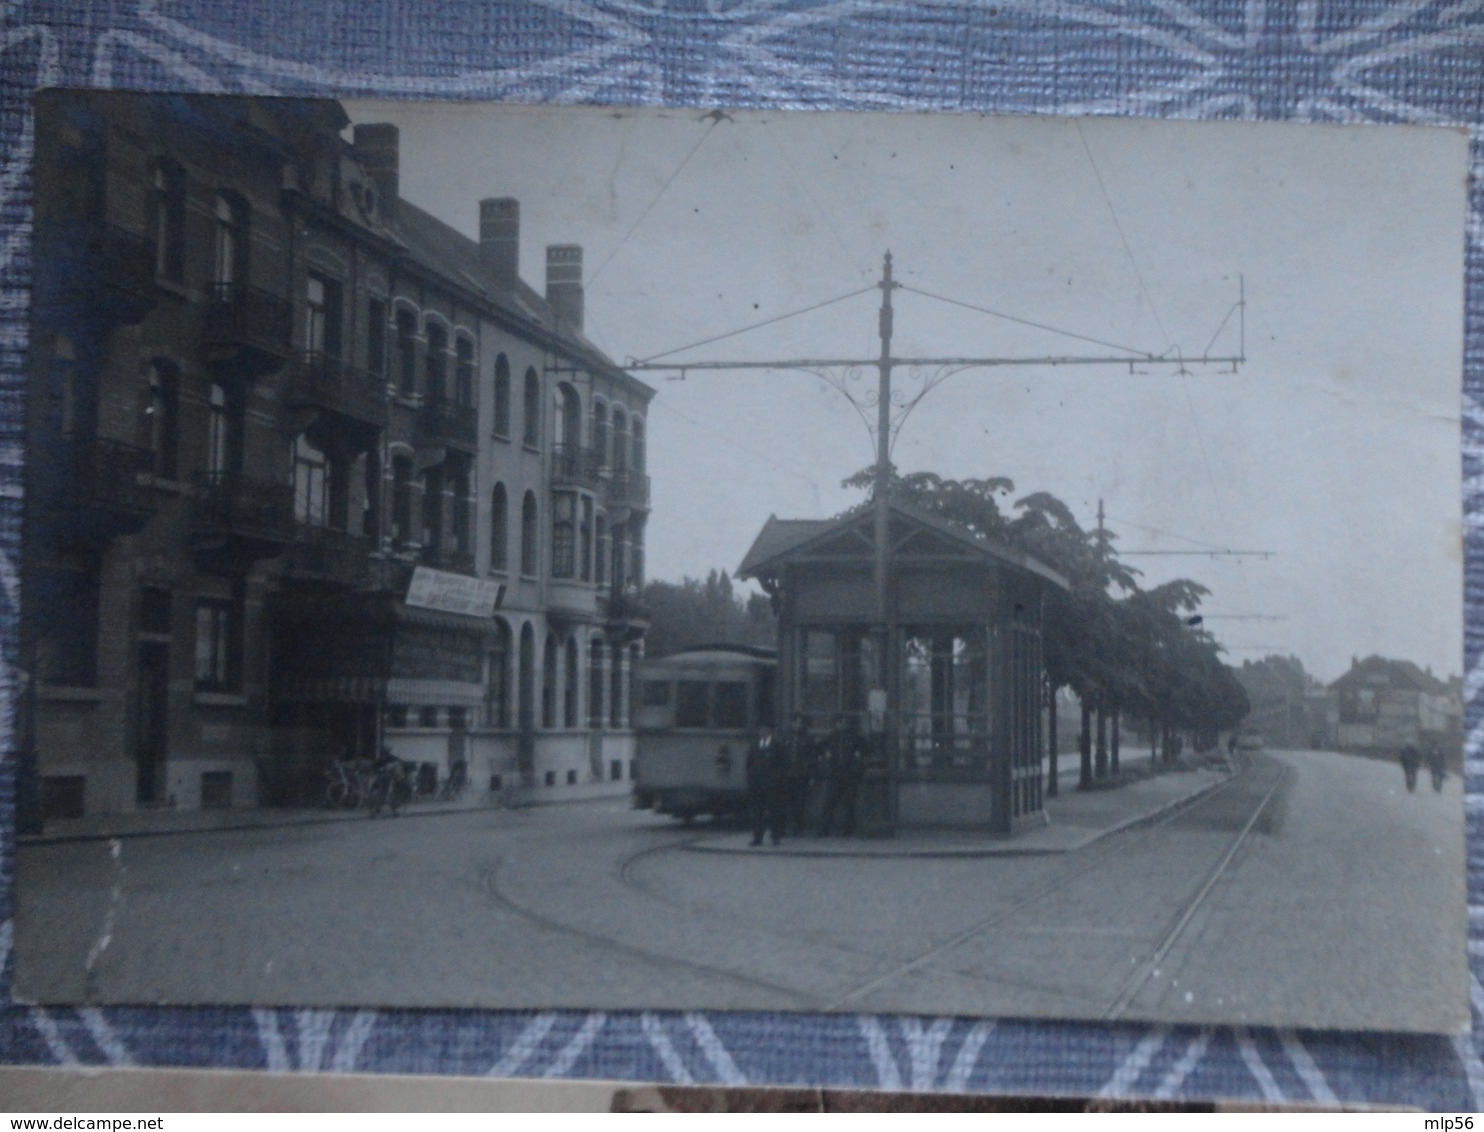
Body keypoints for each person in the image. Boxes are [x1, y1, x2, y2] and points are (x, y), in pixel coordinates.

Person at [818, 713, 864, 837]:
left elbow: (860, 751)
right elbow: (821, 747)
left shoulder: (853, 737)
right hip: (835, 774)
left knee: (849, 804)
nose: (842, 725)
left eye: (843, 722)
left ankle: (848, 829)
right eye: (840, 722)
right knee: (830, 803)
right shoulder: (831, 737)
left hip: (848, 774)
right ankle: (824, 829)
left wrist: (855, 766)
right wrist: (825, 755)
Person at [746, 727, 785, 846]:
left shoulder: (776, 746)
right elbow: (749, 763)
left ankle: (775, 837)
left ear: (770, 732)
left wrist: (776, 778)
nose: (762, 733)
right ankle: (757, 837)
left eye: (765, 731)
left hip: (772, 785)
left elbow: (782, 764)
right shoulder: (755, 745)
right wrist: (751, 778)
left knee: (774, 811)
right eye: (761, 730)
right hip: (757, 785)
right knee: (757, 812)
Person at [781, 712, 816, 837]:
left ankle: (798, 827)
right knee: (785, 802)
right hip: (787, 773)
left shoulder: (808, 738)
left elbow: (812, 758)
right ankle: (784, 827)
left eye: (800, 723)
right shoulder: (785, 737)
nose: (797, 725)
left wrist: (811, 775)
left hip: (801, 774)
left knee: (799, 802)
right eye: (795, 722)